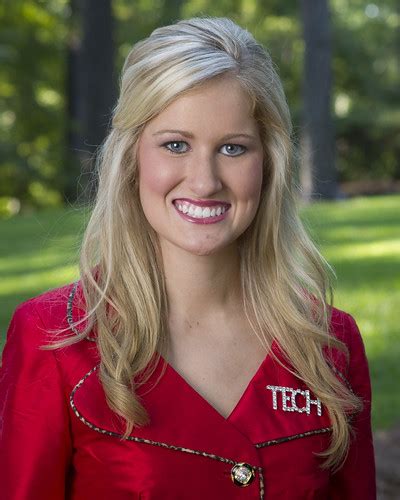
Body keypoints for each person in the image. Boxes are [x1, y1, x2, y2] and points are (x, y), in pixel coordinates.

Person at [0, 17, 375, 499]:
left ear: (269, 163)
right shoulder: (53, 339)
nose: (204, 181)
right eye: (175, 144)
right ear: (132, 157)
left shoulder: (328, 344)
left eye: (233, 149)